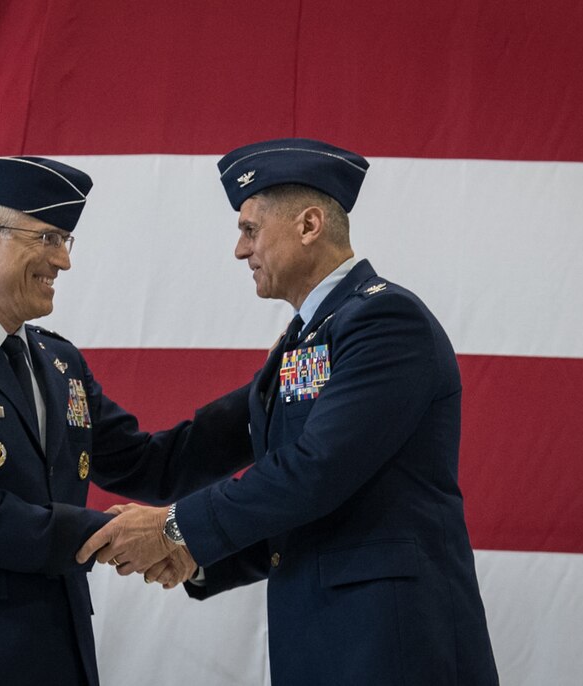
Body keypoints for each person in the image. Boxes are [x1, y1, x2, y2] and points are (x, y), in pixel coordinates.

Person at [78, 138, 499, 685]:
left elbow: (313, 472)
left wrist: (176, 529)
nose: (238, 249)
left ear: (308, 226)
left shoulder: (386, 322)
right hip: (322, 641)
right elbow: (173, 461)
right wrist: (54, 394)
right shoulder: (305, 342)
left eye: (249, 229)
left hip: (392, 644)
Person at [0, 151, 251, 686]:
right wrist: (121, 532)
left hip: (58, 654)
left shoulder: (58, 361)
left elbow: (153, 466)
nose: (63, 261)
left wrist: (264, 401)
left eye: (65, 241)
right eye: (46, 238)